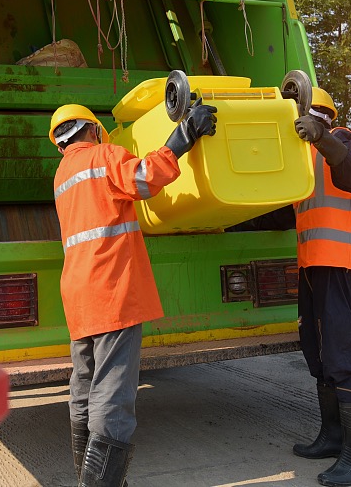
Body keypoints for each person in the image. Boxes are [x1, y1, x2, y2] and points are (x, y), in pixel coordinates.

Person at [49, 101, 217, 487]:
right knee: (113, 394)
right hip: (113, 290)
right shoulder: (104, 155)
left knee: (85, 386)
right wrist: (183, 136)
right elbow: (143, 179)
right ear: (94, 129)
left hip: (79, 293)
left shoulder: (62, 174)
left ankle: (92, 479)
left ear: (60, 143)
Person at [291, 87, 351, 487]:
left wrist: (323, 137)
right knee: (319, 352)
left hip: (343, 264)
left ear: (318, 116)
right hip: (314, 267)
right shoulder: (301, 159)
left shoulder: (341, 139)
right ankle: (332, 437)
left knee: (343, 354)